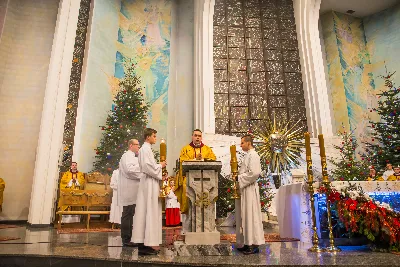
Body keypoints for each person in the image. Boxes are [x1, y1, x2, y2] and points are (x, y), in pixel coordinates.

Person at [132, 128, 167, 255]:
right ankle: (143, 245)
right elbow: (147, 167)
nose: (155, 138)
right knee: (146, 211)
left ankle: (147, 243)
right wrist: (160, 166)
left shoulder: (147, 149)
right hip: (148, 183)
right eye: (154, 136)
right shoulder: (144, 149)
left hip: (151, 182)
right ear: (148, 137)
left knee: (148, 211)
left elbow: (149, 167)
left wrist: (159, 172)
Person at [175, 129, 216, 233]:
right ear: (192, 136)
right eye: (195, 135)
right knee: (188, 200)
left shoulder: (207, 150)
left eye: (199, 136)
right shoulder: (185, 149)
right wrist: (195, 159)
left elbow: (213, 160)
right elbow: (182, 162)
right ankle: (187, 229)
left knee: (206, 202)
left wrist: (203, 159)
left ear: (201, 137)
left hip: (206, 181)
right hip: (189, 180)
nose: (197, 137)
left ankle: (207, 228)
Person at [235, 135, 265, 255]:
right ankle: (247, 243)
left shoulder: (254, 155)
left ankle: (254, 245)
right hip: (246, 188)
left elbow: (254, 173)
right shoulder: (249, 155)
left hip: (250, 189)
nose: (241, 145)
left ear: (248, 143)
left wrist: (239, 177)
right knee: (246, 216)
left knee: (251, 216)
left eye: (242, 143)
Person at [118, 139, 142, 247]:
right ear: (131, 145)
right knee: (127, 214)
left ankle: (129, 237)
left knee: (130, 214)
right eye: (137, 145)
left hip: (132, 189)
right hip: (129, 189)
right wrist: (143, 172)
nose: (139, 147)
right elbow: (130, 170)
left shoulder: (132, 156)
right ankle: (126, 239)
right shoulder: (127, 155)